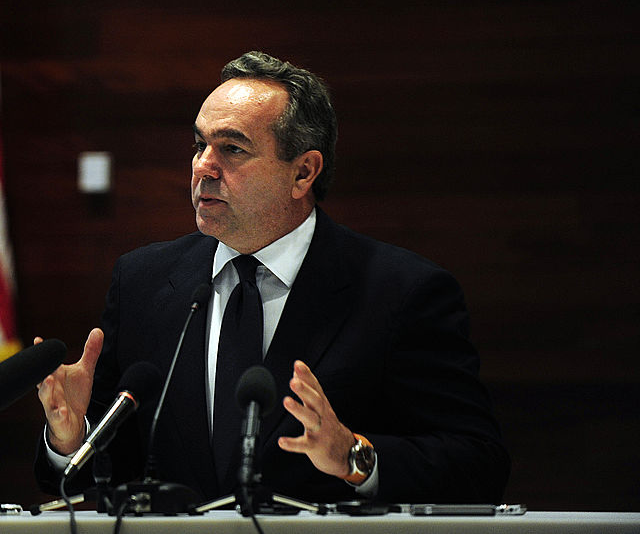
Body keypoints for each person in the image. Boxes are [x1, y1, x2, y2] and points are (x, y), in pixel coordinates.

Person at [34, 51, 510, 505]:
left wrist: (353, 456)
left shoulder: (401, 292)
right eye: (200, 145)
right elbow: (104, 474)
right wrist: (71, 439)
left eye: (232, 149)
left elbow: (478, 466)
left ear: (303, 172)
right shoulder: (143, 282)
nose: (203, 167)